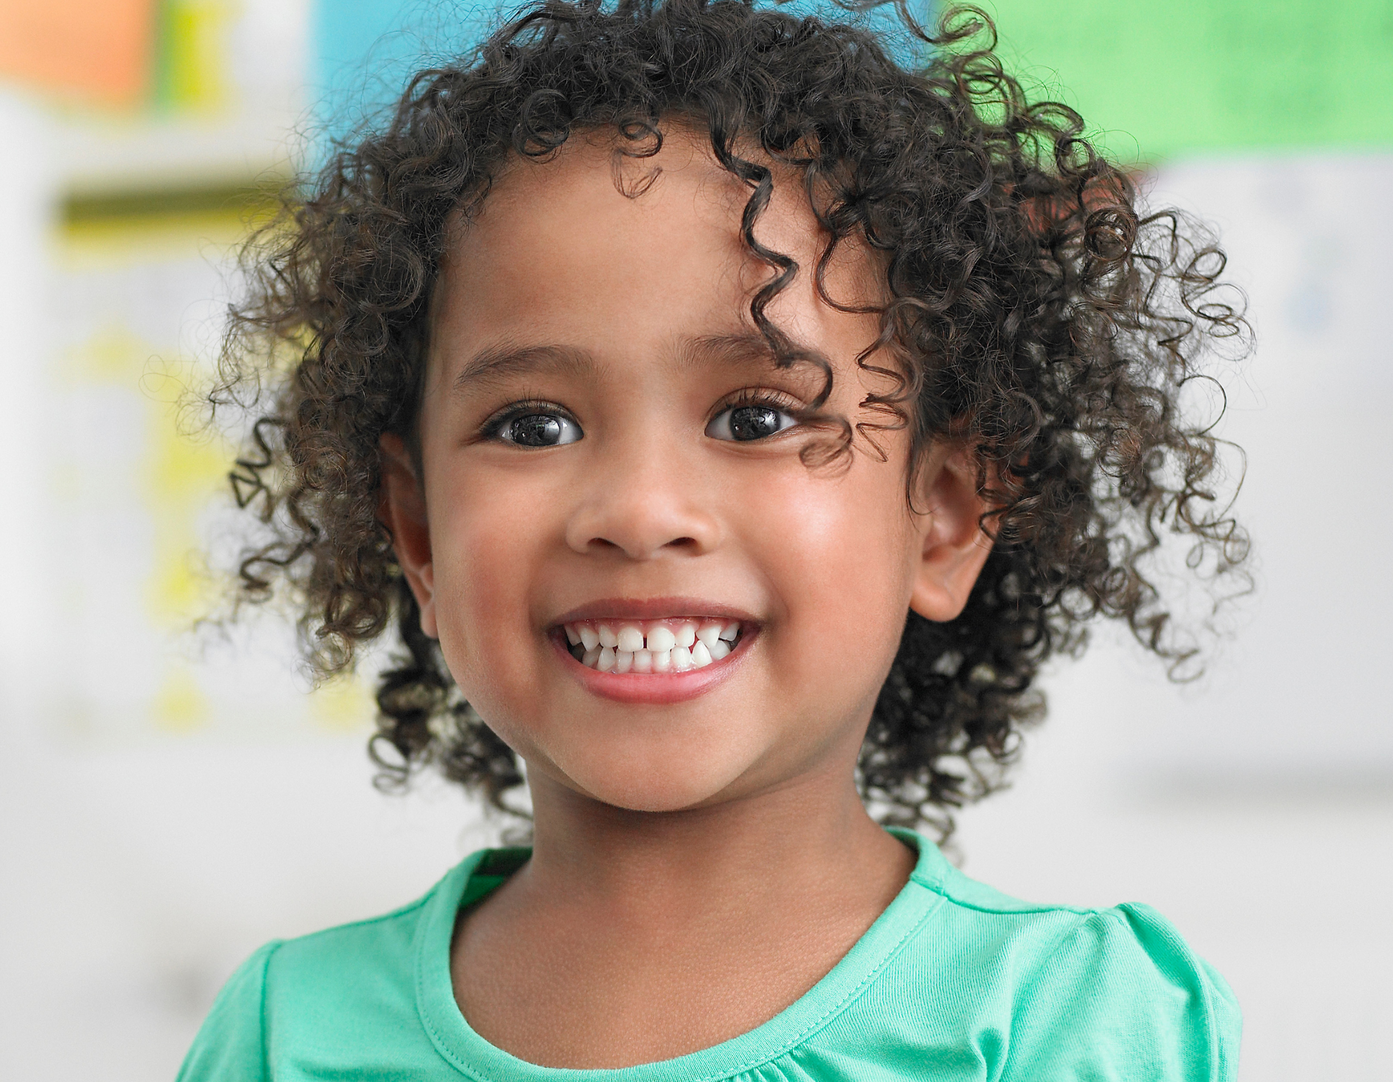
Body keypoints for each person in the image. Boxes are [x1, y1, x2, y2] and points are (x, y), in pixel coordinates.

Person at [183, 1, 1248, 1077]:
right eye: (533, 425)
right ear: (417, 529)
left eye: (756, 417)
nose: (640, 510)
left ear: (946, 514)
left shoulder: (1069, 1019)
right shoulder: (289, 1032)